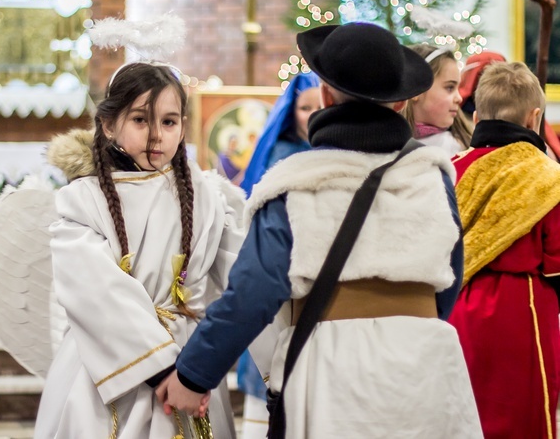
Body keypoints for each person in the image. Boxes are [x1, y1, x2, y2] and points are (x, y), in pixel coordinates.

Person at [156, 22, 482, 438]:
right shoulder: (434, 177)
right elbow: (449, 280)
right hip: (429, 364)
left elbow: (253, 292)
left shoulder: (292, 184)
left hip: (334, 365)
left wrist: (193, 376)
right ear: (402, 104)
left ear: (326, 96)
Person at [33, 62, 245, 439]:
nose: (156, 136)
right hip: (108, 369)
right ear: (109, 124)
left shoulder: (208, 196)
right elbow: (95, 291)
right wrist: (165, 371)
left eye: (169, 122)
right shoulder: (83, 201)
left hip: (192, 366)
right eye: (140, 120)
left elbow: (244, 277)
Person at [448, 61, 560, 439]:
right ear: (534, 118)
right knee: (521, 413)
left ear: (477, 116)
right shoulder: (547, 177)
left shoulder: (450, 169)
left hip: (453, 304)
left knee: (461, 410)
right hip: (522, 309)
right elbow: (556, 262)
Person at [234, 71, 321, 439]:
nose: (314, 115)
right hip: (282, 287)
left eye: (320, 106)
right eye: (305, 108)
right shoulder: (282, 157)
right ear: (291, 114)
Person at [401, 44, 473, 156]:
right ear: (417, 90)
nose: (459, 98)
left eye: (457, 88)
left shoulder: (456, 149)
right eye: (449, 88)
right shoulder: (385, 143)